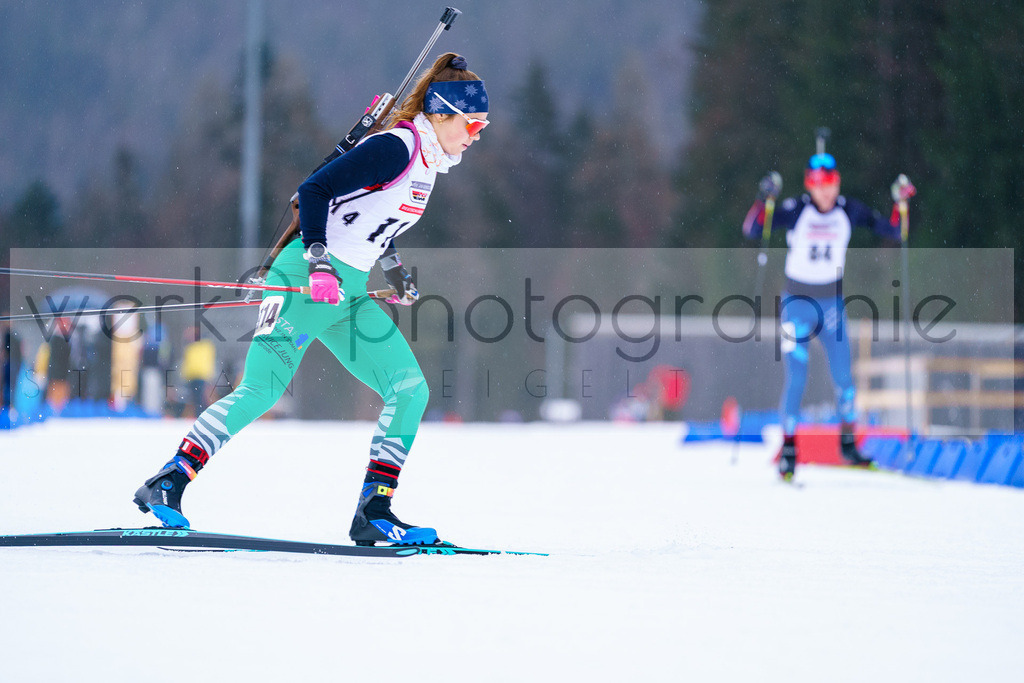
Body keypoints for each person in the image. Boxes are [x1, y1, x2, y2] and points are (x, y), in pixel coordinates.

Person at [133, 53, 489, 546]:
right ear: (443, 113)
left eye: (482, 126)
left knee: (409, 389)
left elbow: (370, 221)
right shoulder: (396, 146)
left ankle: (374, 511)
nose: (476, 135)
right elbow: (315, 189)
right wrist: (319, 262)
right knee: (261, 391)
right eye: (473, 123)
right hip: (305, 278)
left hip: (351, 293)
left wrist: (395, 270)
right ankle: (168, 481)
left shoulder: (429, 163)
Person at [742, 152, 915, 480]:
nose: (827, 192)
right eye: (821, 186)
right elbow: (753, 229)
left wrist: (900, 203)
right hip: (796, 305)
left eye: (832, 184)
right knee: (797, 376)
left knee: (844, 379)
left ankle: (848, 444)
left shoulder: (849, 210)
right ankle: (789, 450)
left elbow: (895, 231)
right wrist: (763, 198)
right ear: (810, 185)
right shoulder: (797, 211)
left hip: (831, 307)